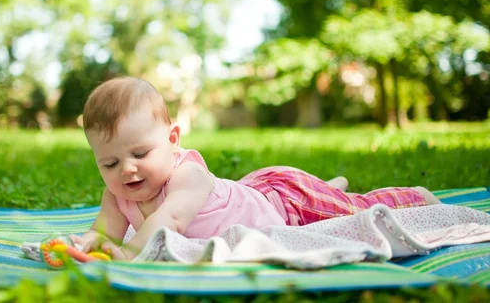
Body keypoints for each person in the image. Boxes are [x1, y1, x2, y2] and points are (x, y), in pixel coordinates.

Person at [72, 76, 440, 260]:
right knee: (326, 196)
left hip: (286, 202)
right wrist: (92, 243)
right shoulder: (116, 194)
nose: (128, 170)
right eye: (110, 162)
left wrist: (133, 253)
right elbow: (106, 233)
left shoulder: (187, 175)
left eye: (140, 154)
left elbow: (171, 220)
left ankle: (411, 196)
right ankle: (330, 186)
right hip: (248, 192)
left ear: (172, 141)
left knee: (351, 210)